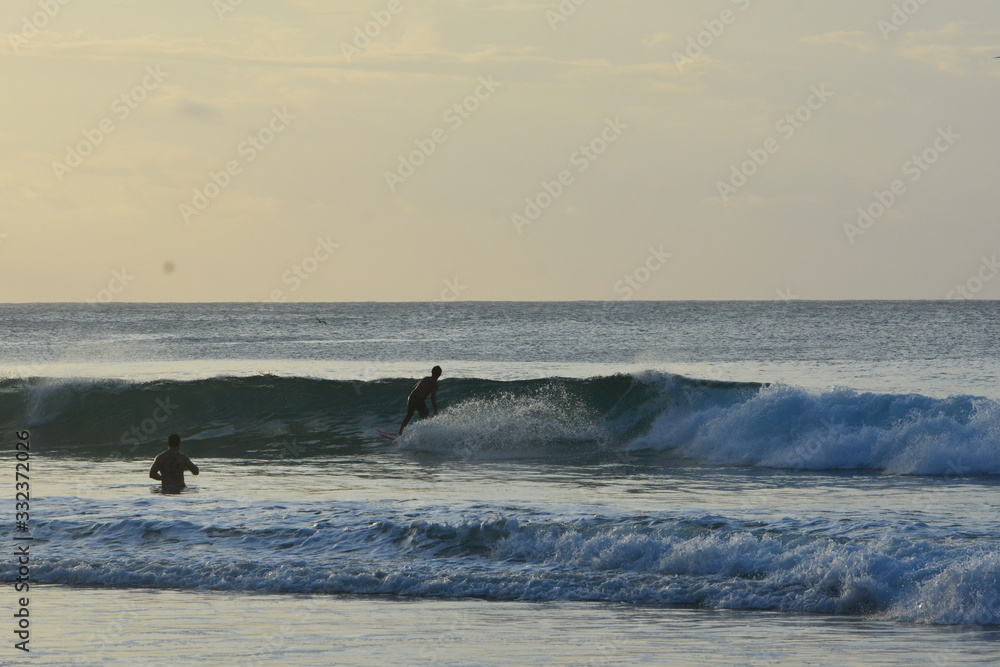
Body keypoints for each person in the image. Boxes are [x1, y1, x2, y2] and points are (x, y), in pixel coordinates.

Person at [399, 365, 442, 434]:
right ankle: (428, 435)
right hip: (419, 400)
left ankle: (400, 433)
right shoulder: (434, 384)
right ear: (440, 374)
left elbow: (414, 387)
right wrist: (435, 410)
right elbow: (433, 398)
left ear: (431, 372)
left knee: (409, 416)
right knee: (427, 418)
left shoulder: (425, 378)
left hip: (411, 397)